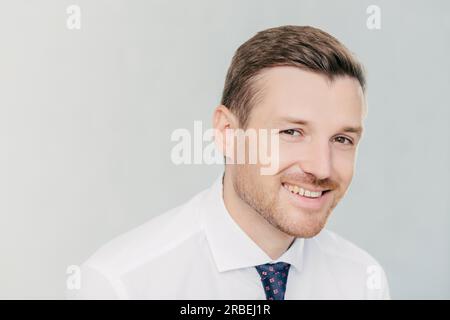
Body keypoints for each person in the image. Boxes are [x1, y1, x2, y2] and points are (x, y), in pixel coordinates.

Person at [69, 25, 390, 299]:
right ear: (227, 133)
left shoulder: (362, 281)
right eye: (292, 132)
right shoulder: (123, 285)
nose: (322, 168)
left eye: (342, 140)